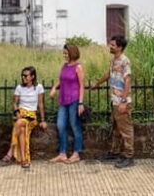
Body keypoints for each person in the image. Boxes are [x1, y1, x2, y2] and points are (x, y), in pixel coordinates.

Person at [90, 34, 134, 168]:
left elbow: (127, 81)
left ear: (120, 47)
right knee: (116, 128)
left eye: (113, 45)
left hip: (121, 101)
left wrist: (123, 101)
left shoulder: (125, 61)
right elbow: (108, 74)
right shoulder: (114, 60)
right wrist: (97, 83)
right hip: (114, 100)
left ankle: (129, 156)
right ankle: (115, 152)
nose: (110, 46)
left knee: (126, 129)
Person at [0, 66, 47, 168]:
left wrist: (43, 120)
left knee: (19, 123)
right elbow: (15, 103)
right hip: (21, 114)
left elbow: (40, 104)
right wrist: (17, 113)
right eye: (22, 75)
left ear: (32, 77)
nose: (23, 77)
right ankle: (24, 160)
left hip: (31, 115)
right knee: (21, 129)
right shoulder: (19, 88)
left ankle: (10, 151)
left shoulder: (38, 87)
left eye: (26, 76)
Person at [48, 43, 85, 164]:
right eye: (63, 53)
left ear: (72, 53)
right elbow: (61, 80)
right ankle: (62, 153)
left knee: (75, 125)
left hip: (74, 100)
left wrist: (81, 103)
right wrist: (54, 88)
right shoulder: (64, 66)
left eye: (66, 53)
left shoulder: (78, 67)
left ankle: (76, 153)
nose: (64, 55)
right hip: (63, 100)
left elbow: (82, 86)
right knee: (60, 125)